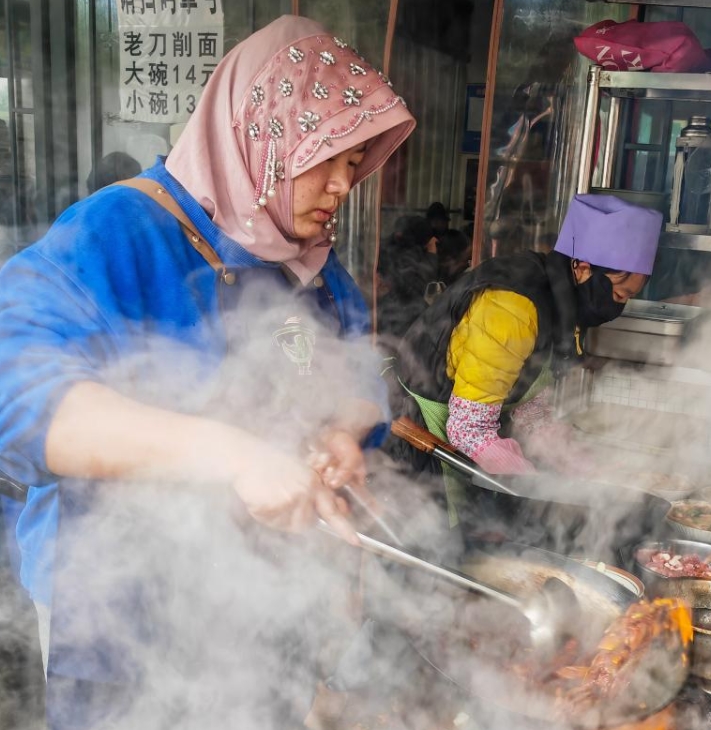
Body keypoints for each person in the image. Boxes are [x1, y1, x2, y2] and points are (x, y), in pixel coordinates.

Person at [0, 16, 415, 730]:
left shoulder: (304, 255)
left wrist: (345, 429)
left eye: (356, 164)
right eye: (328, 157)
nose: (345, 185)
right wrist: (232, 454)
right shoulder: (118, 230)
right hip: (124, 610)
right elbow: (17, 389)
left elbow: (357, 370)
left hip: (266, 594)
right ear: (262, 132)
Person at [391, 194, 661, 491]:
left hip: (468, 432)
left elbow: (529, 409)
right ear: (583, 269)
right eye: (620, 295)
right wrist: (537, 489)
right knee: (438, 532)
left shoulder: (562, 301)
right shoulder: (513, 308)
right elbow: (469, 429)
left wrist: (588, 468)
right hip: (425, 434)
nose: (618, 306)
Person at [376, 215, 438, 339]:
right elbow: (419, 285)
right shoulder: (411, 257)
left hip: (386, 317)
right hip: (401, 321)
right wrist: (432, 254)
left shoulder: (386, 249)